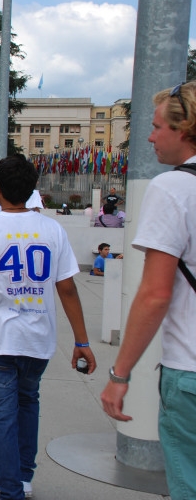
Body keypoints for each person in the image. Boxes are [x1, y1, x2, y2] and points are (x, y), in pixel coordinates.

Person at [0, 155, 96, 500]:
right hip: (38, 339)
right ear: (33, 190)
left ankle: (10, 489)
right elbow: (68, 288)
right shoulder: (52, 230)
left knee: (1, 415)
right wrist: (82, 340)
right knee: (29, 403)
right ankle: (24, 478)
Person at [101, 82, 196, 500]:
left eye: (158, 127)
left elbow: (156, 294)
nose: (151, 137)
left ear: (185, 129)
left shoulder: (174, 188)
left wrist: (119, 374)